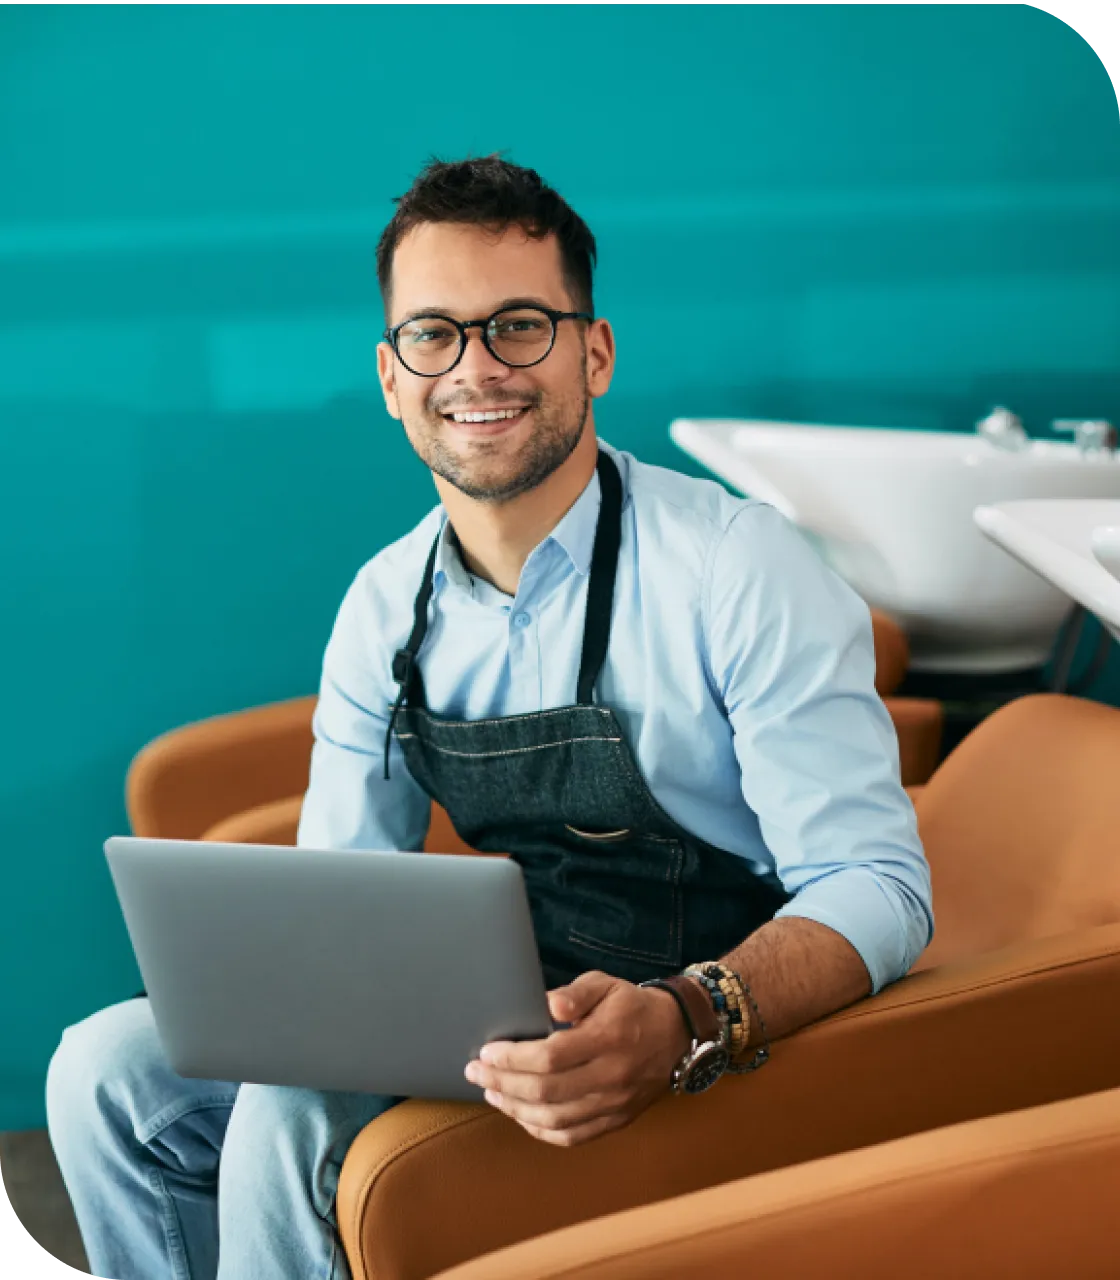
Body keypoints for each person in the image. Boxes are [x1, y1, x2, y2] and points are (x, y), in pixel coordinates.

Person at [46, 153, 933, 1280]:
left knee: (288, 1111)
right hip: (511, 1018)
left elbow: (881, 886)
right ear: (388, 373)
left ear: (593, 351)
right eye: (433, 333)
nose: (475, 367)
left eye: (519, 324)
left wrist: (684, 1013)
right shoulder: (385, 601)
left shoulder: (733, 563)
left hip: (711, 1029)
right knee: (101, 1065)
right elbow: (342, 905)